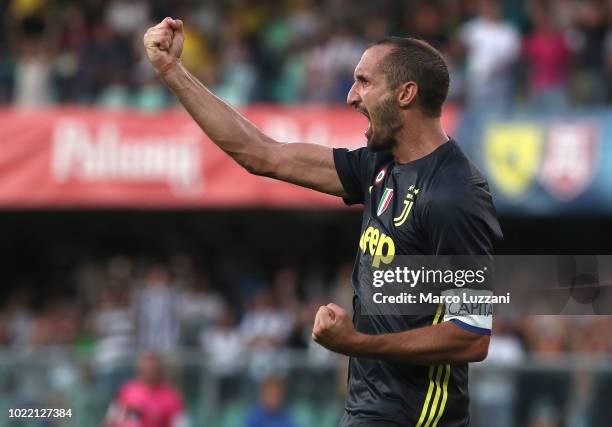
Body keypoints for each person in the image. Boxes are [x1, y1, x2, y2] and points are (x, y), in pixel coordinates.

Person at [144, 17, 502, 427]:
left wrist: (357, 343)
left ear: (405, 94)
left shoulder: (455, 194)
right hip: (366, 411)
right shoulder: (380, 167)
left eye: (364, 82)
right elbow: (261, 154)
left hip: (416, 418)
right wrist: (172, 71)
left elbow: (472, 335)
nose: (351, 96)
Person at [105, 351, 188, 427]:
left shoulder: (172, 396)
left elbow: (180, 423)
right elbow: (111, 419)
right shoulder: (127, 390)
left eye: (153, 367)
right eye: (147, 366)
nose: (150, 369)